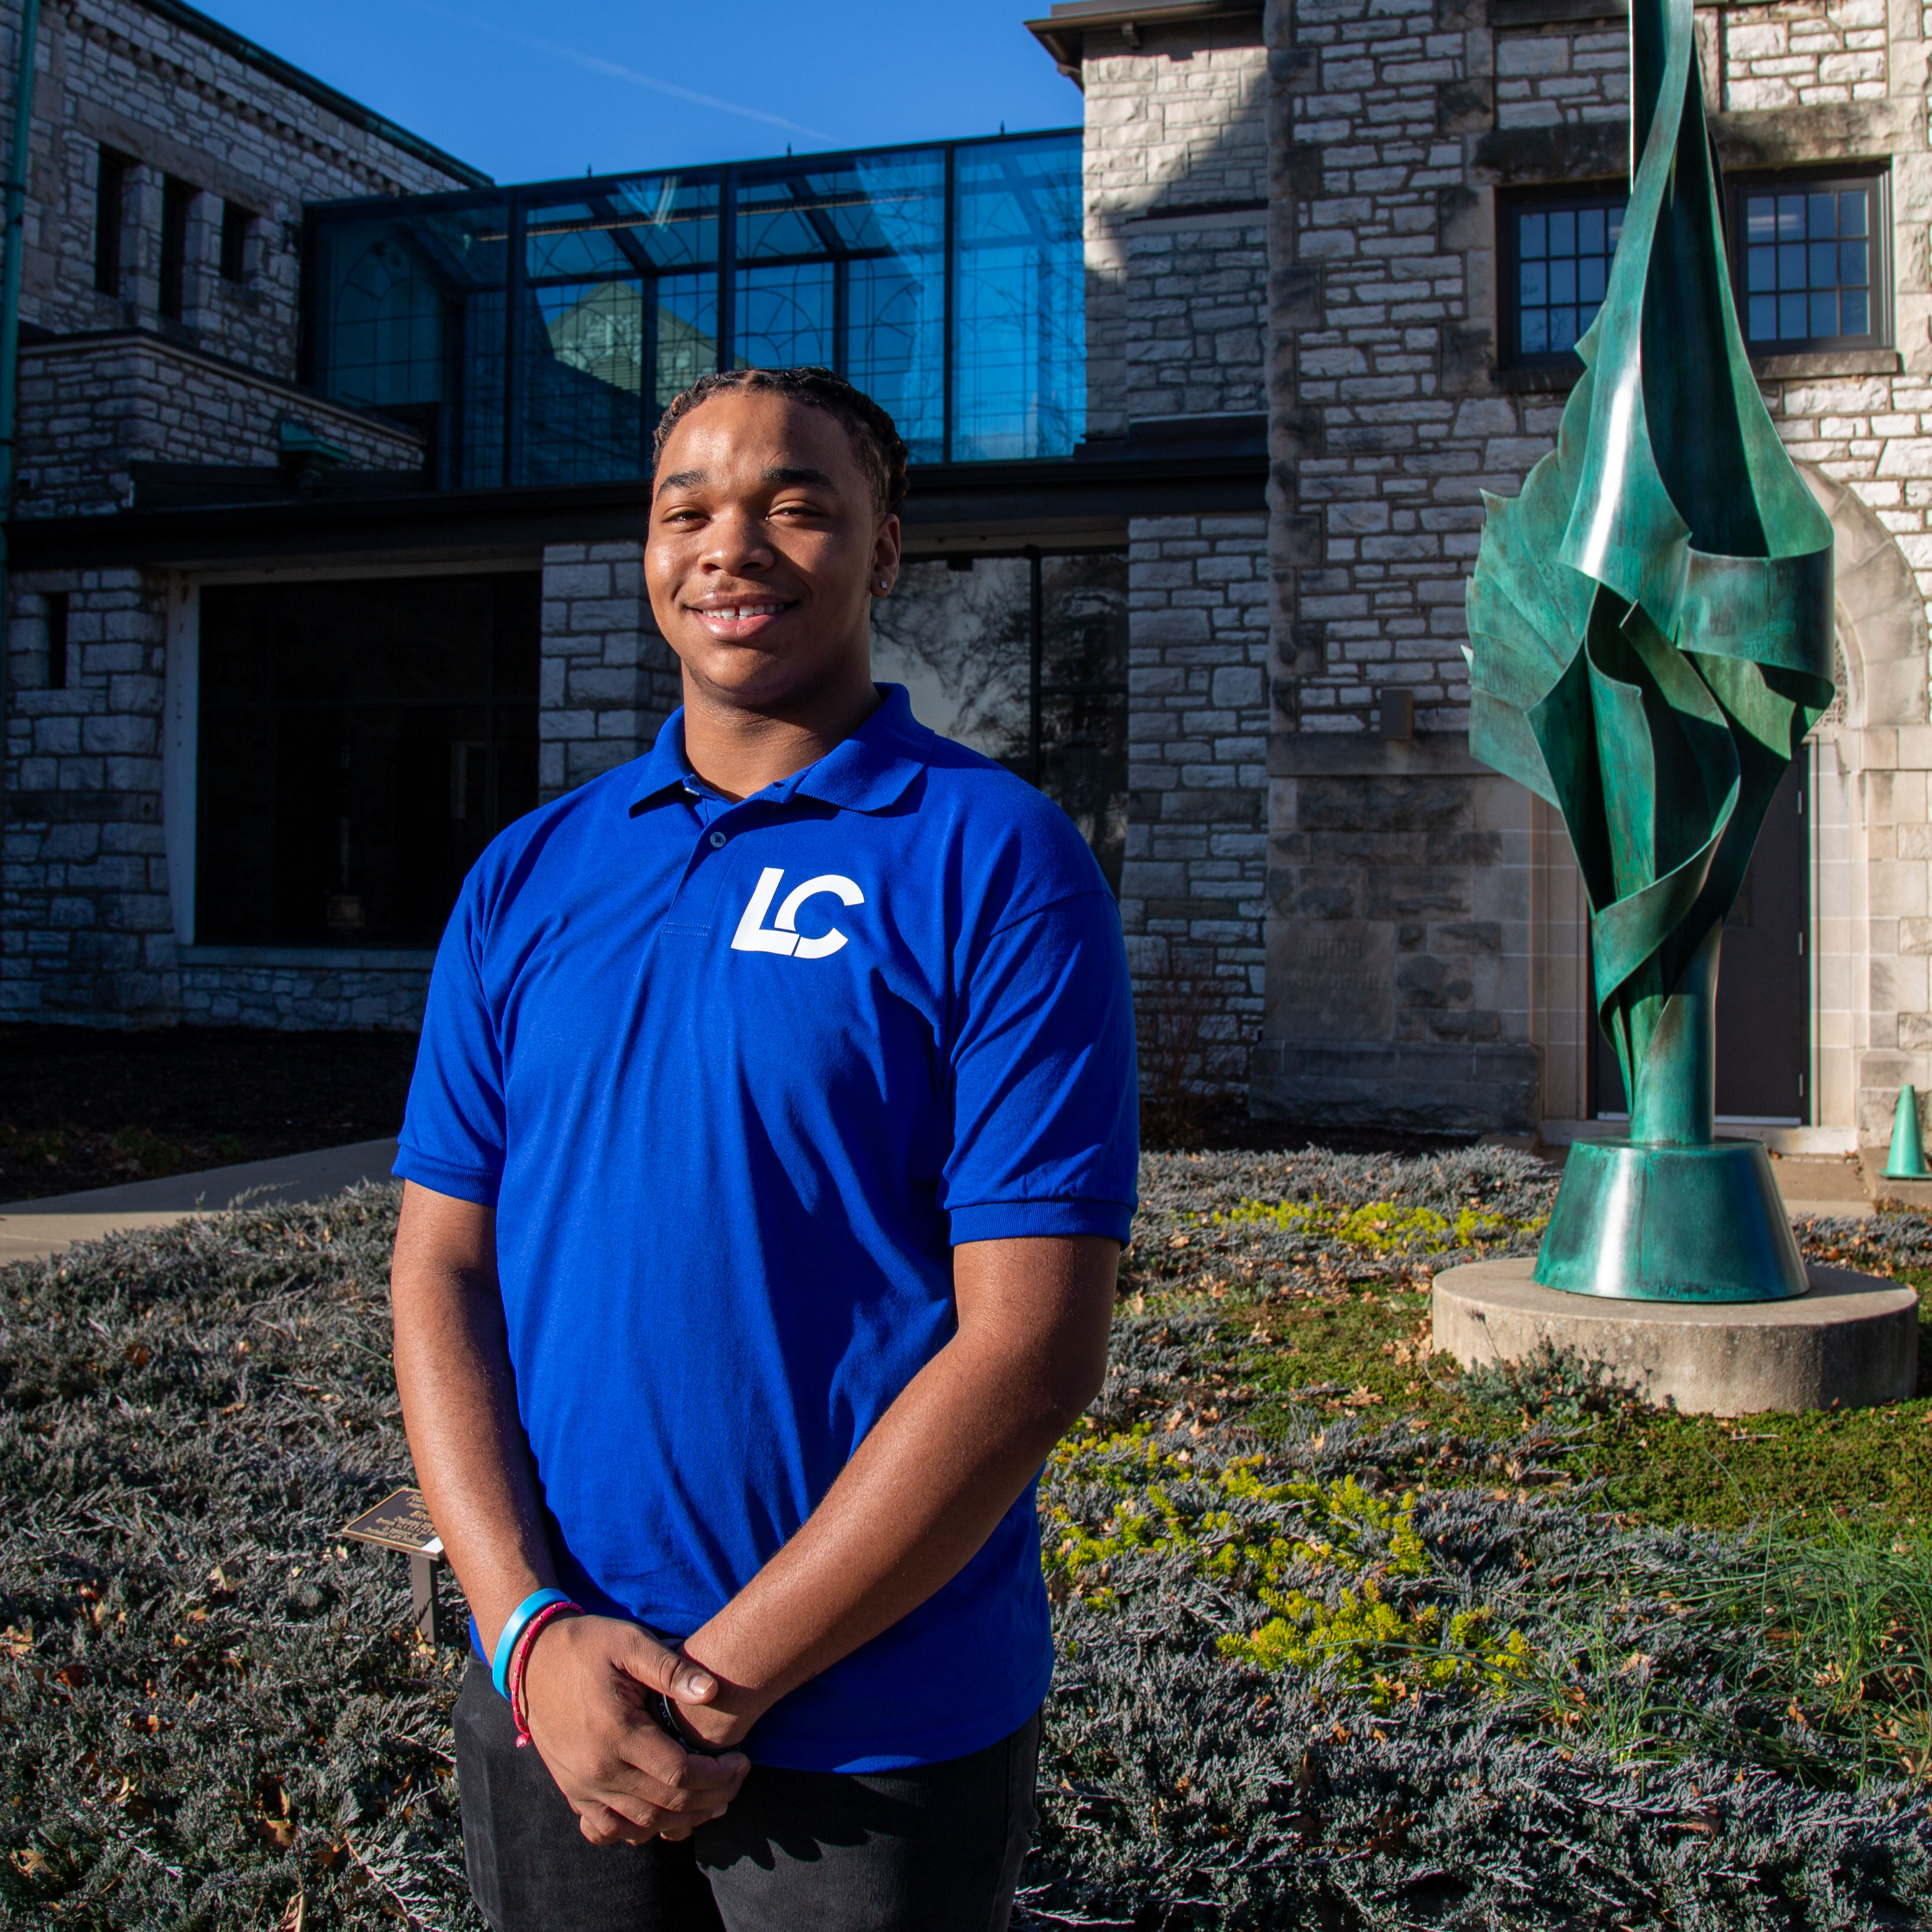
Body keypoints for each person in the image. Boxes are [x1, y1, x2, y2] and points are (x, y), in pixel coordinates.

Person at [389, 364, 1139, 1932]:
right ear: (648, 552)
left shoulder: (995, 859)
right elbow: (441, 1267)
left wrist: (712, 1689)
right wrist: (530, 1630)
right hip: (555, 1694)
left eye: (798, 505)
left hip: (872, 1732)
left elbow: (1029, 1349)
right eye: (688, 509)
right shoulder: (528, 875)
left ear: (883, 555)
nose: (731, 545)